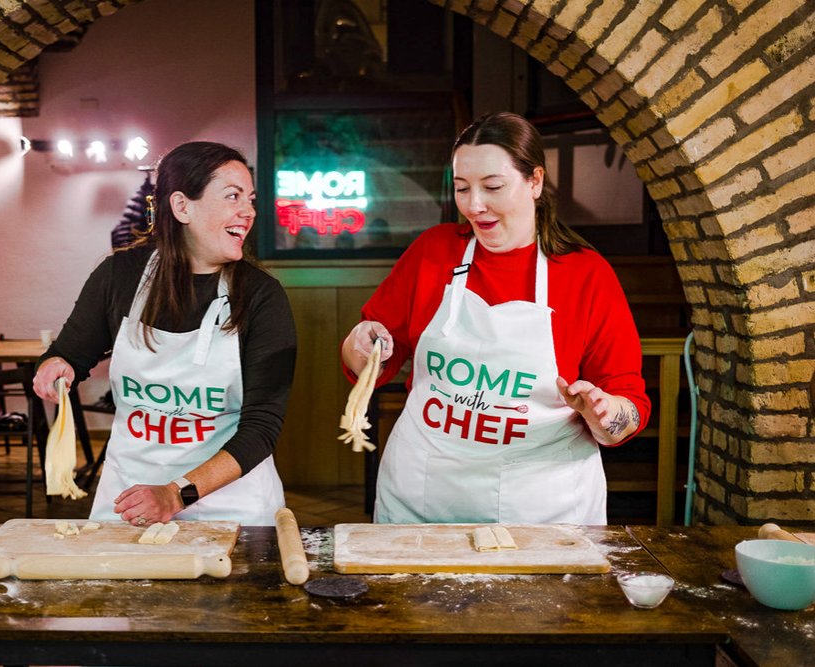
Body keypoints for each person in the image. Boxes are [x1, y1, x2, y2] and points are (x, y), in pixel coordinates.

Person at [341, 112, 650, 525]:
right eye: (462, 188)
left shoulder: (585, 274)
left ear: (535, 181)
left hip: (541, 509)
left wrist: (606, 413)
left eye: (493, 187)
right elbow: (372, 363)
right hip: (424, 496)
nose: (474, 206)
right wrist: (359, 344)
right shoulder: (433, 252)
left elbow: (627, 404)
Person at [34, 141, 297, 527]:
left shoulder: (261, 297)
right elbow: (71, 353)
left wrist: (177, 493)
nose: (249, 212)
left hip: (232, 507)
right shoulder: (119, 277)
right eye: (233, 196)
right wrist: (57, 366)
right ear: (181, 206)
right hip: (129, 500)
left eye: (251, 199)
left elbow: (261, 429)